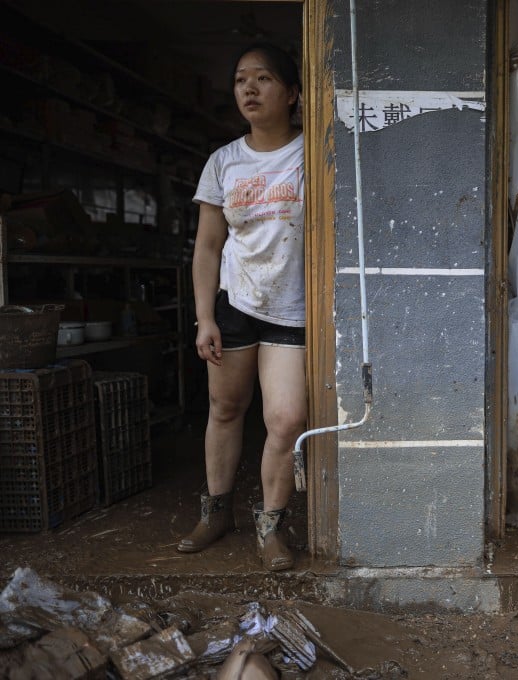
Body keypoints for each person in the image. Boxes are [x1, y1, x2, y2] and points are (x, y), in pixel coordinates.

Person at [177, 42, 306, 572]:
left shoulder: (315, 153)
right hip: (235, 301)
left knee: (287, 418)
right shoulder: (223, 161)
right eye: (239, 81)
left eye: (264, 79)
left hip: (294, 304)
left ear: (293, 92)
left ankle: (270, 523)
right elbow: (207, 247)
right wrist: (204, 316)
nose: (249, 89)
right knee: (226, 409)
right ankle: (216, 511)